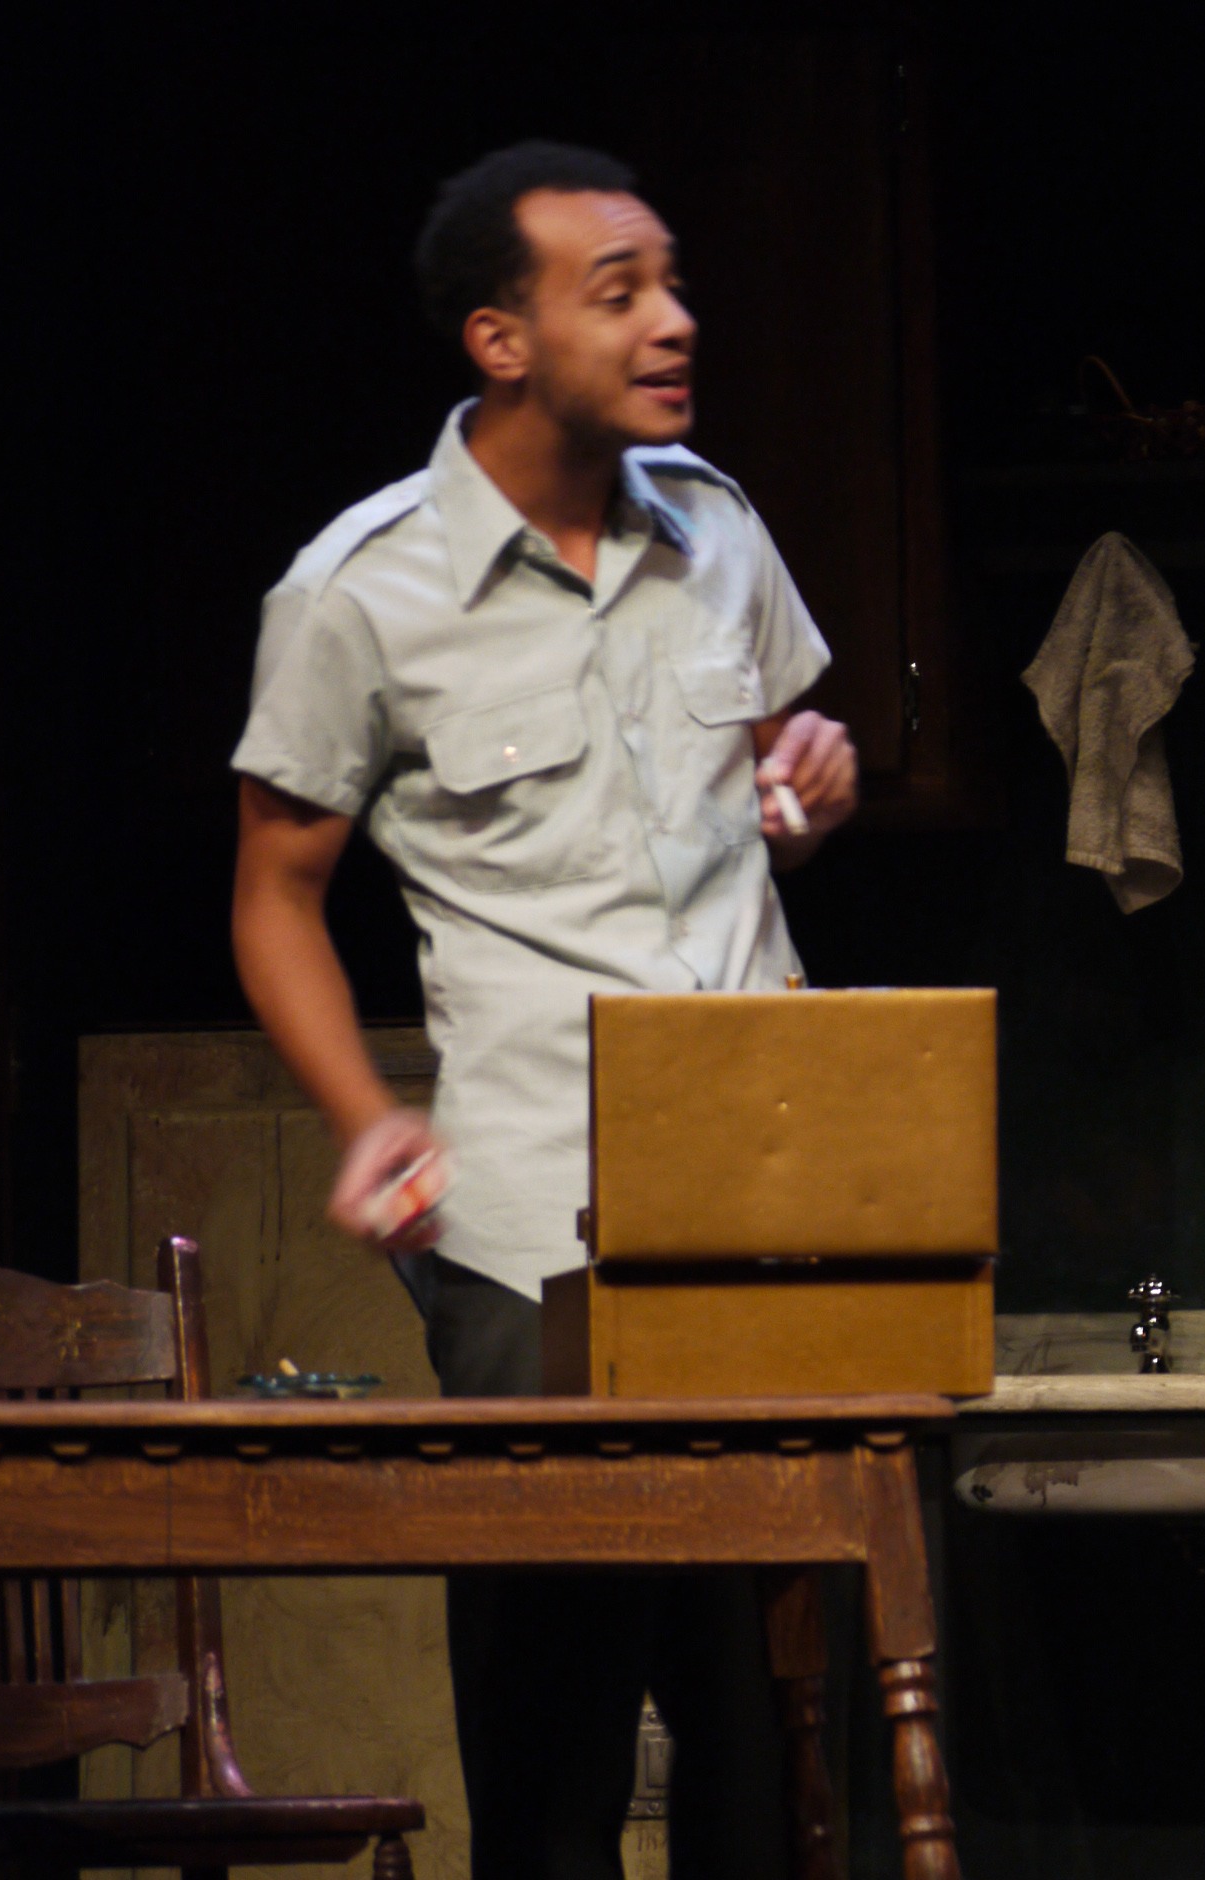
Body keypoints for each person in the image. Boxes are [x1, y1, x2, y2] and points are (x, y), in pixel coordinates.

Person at [231, 140, 858, 1878]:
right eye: (620, 292)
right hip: (533, 1229)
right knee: (555, 1743)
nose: (675, 320)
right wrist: (366, 1117)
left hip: (763, 1202)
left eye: (673, 282)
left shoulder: (718, 528)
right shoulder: (362, 591)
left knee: (769, 1741)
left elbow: (785, 775)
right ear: (500, 341)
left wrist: (814, 781)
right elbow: (274, 894)